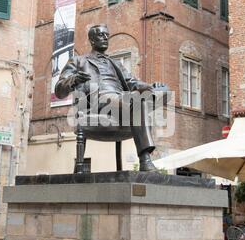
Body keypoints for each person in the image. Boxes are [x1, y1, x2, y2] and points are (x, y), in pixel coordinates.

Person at [55, 24, 166, 171]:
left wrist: (151, 86)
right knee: (137, 101)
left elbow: (132, 82)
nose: (106, 38)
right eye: (101, 35)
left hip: (120, 98)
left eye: (107, 35)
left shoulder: (116, 63)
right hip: (98, 99)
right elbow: (59, 90)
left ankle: (145, 158)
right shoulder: (78, 61)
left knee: (145, 98)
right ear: (92, 40)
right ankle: (145, 160)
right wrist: (74, 80)